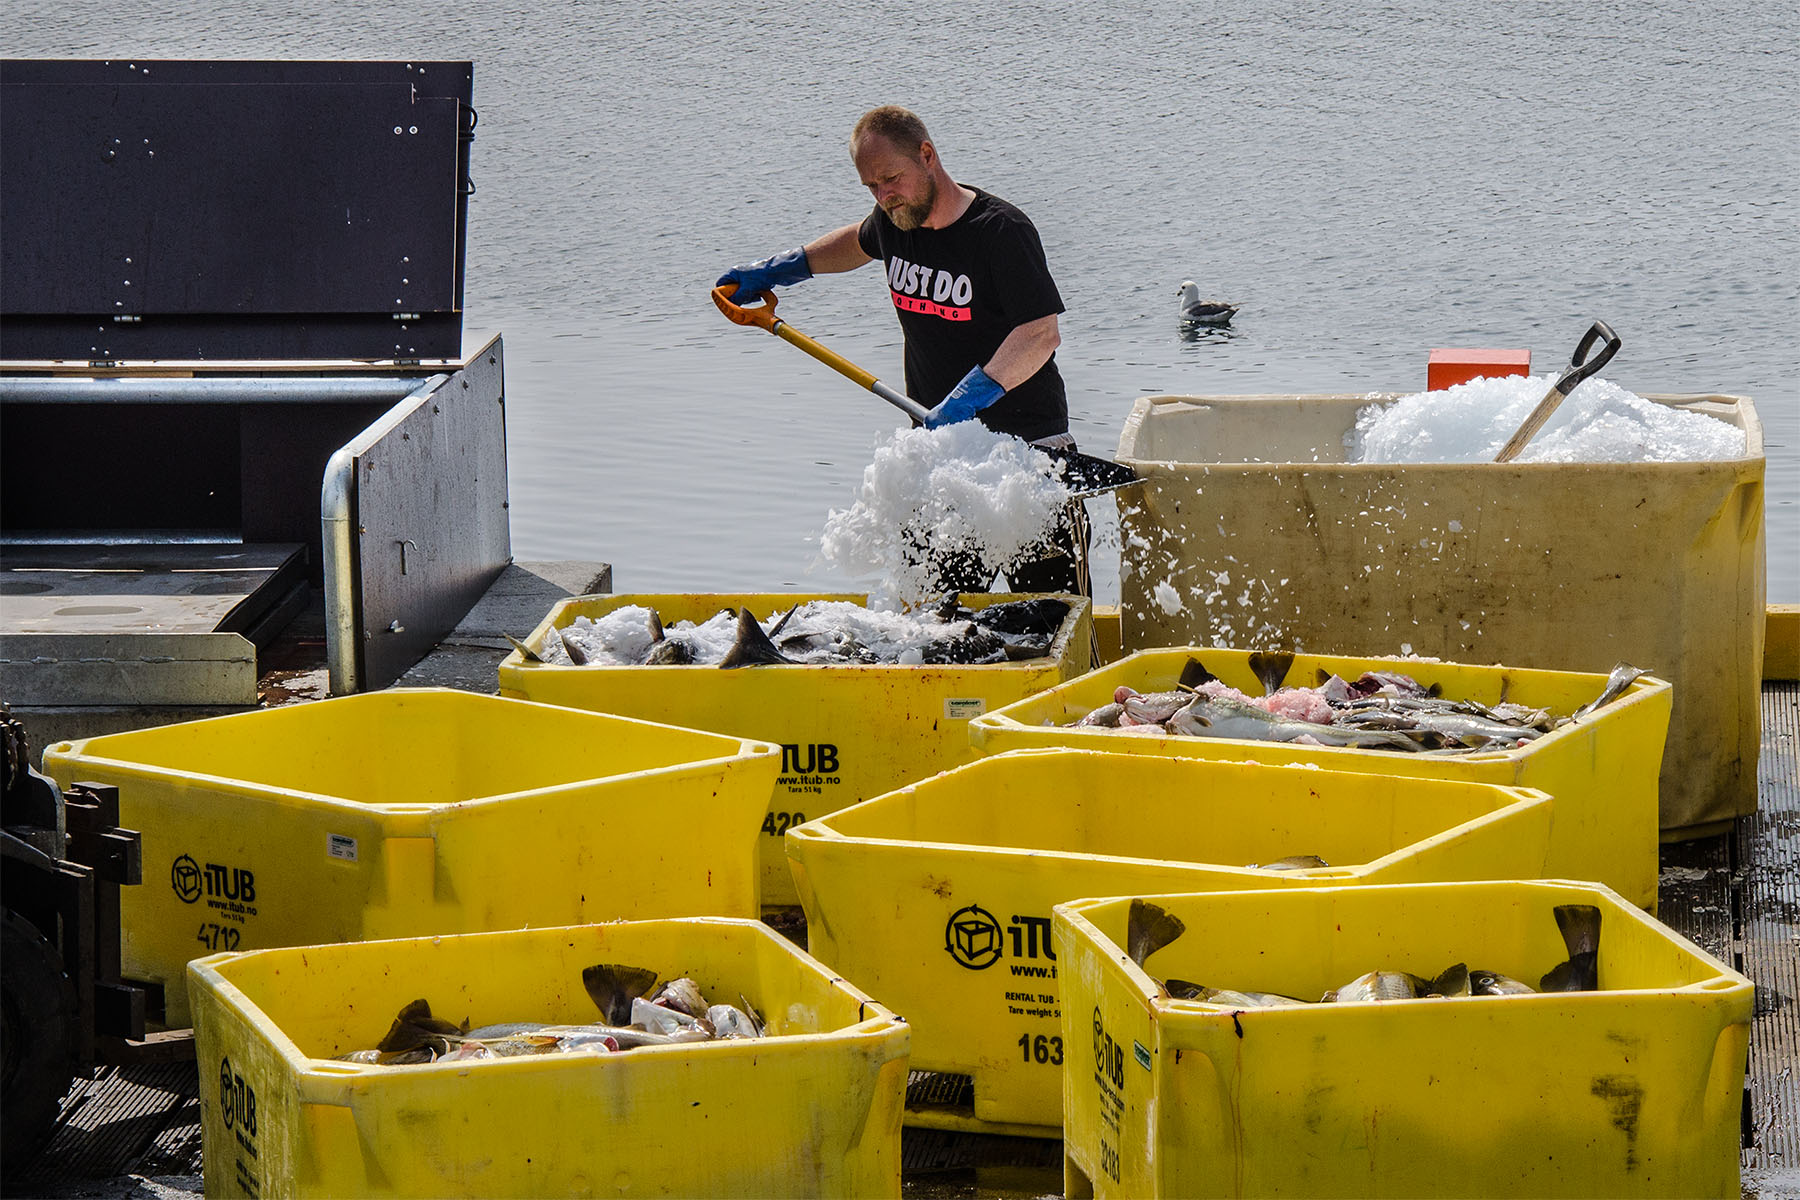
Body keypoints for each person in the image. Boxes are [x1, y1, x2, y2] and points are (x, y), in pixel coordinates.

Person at [717, 104, 1090, 596]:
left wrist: (970, 397)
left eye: (891, 178)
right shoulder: (896, 221)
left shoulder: (1000, 232)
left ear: (927, 156)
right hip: (939, 461)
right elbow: (857, 241)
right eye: (871, 187)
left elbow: (1041, 333)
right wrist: (781, 269)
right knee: (936, 626)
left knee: (1055, 621)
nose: (884, 196)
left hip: (1029, 458)